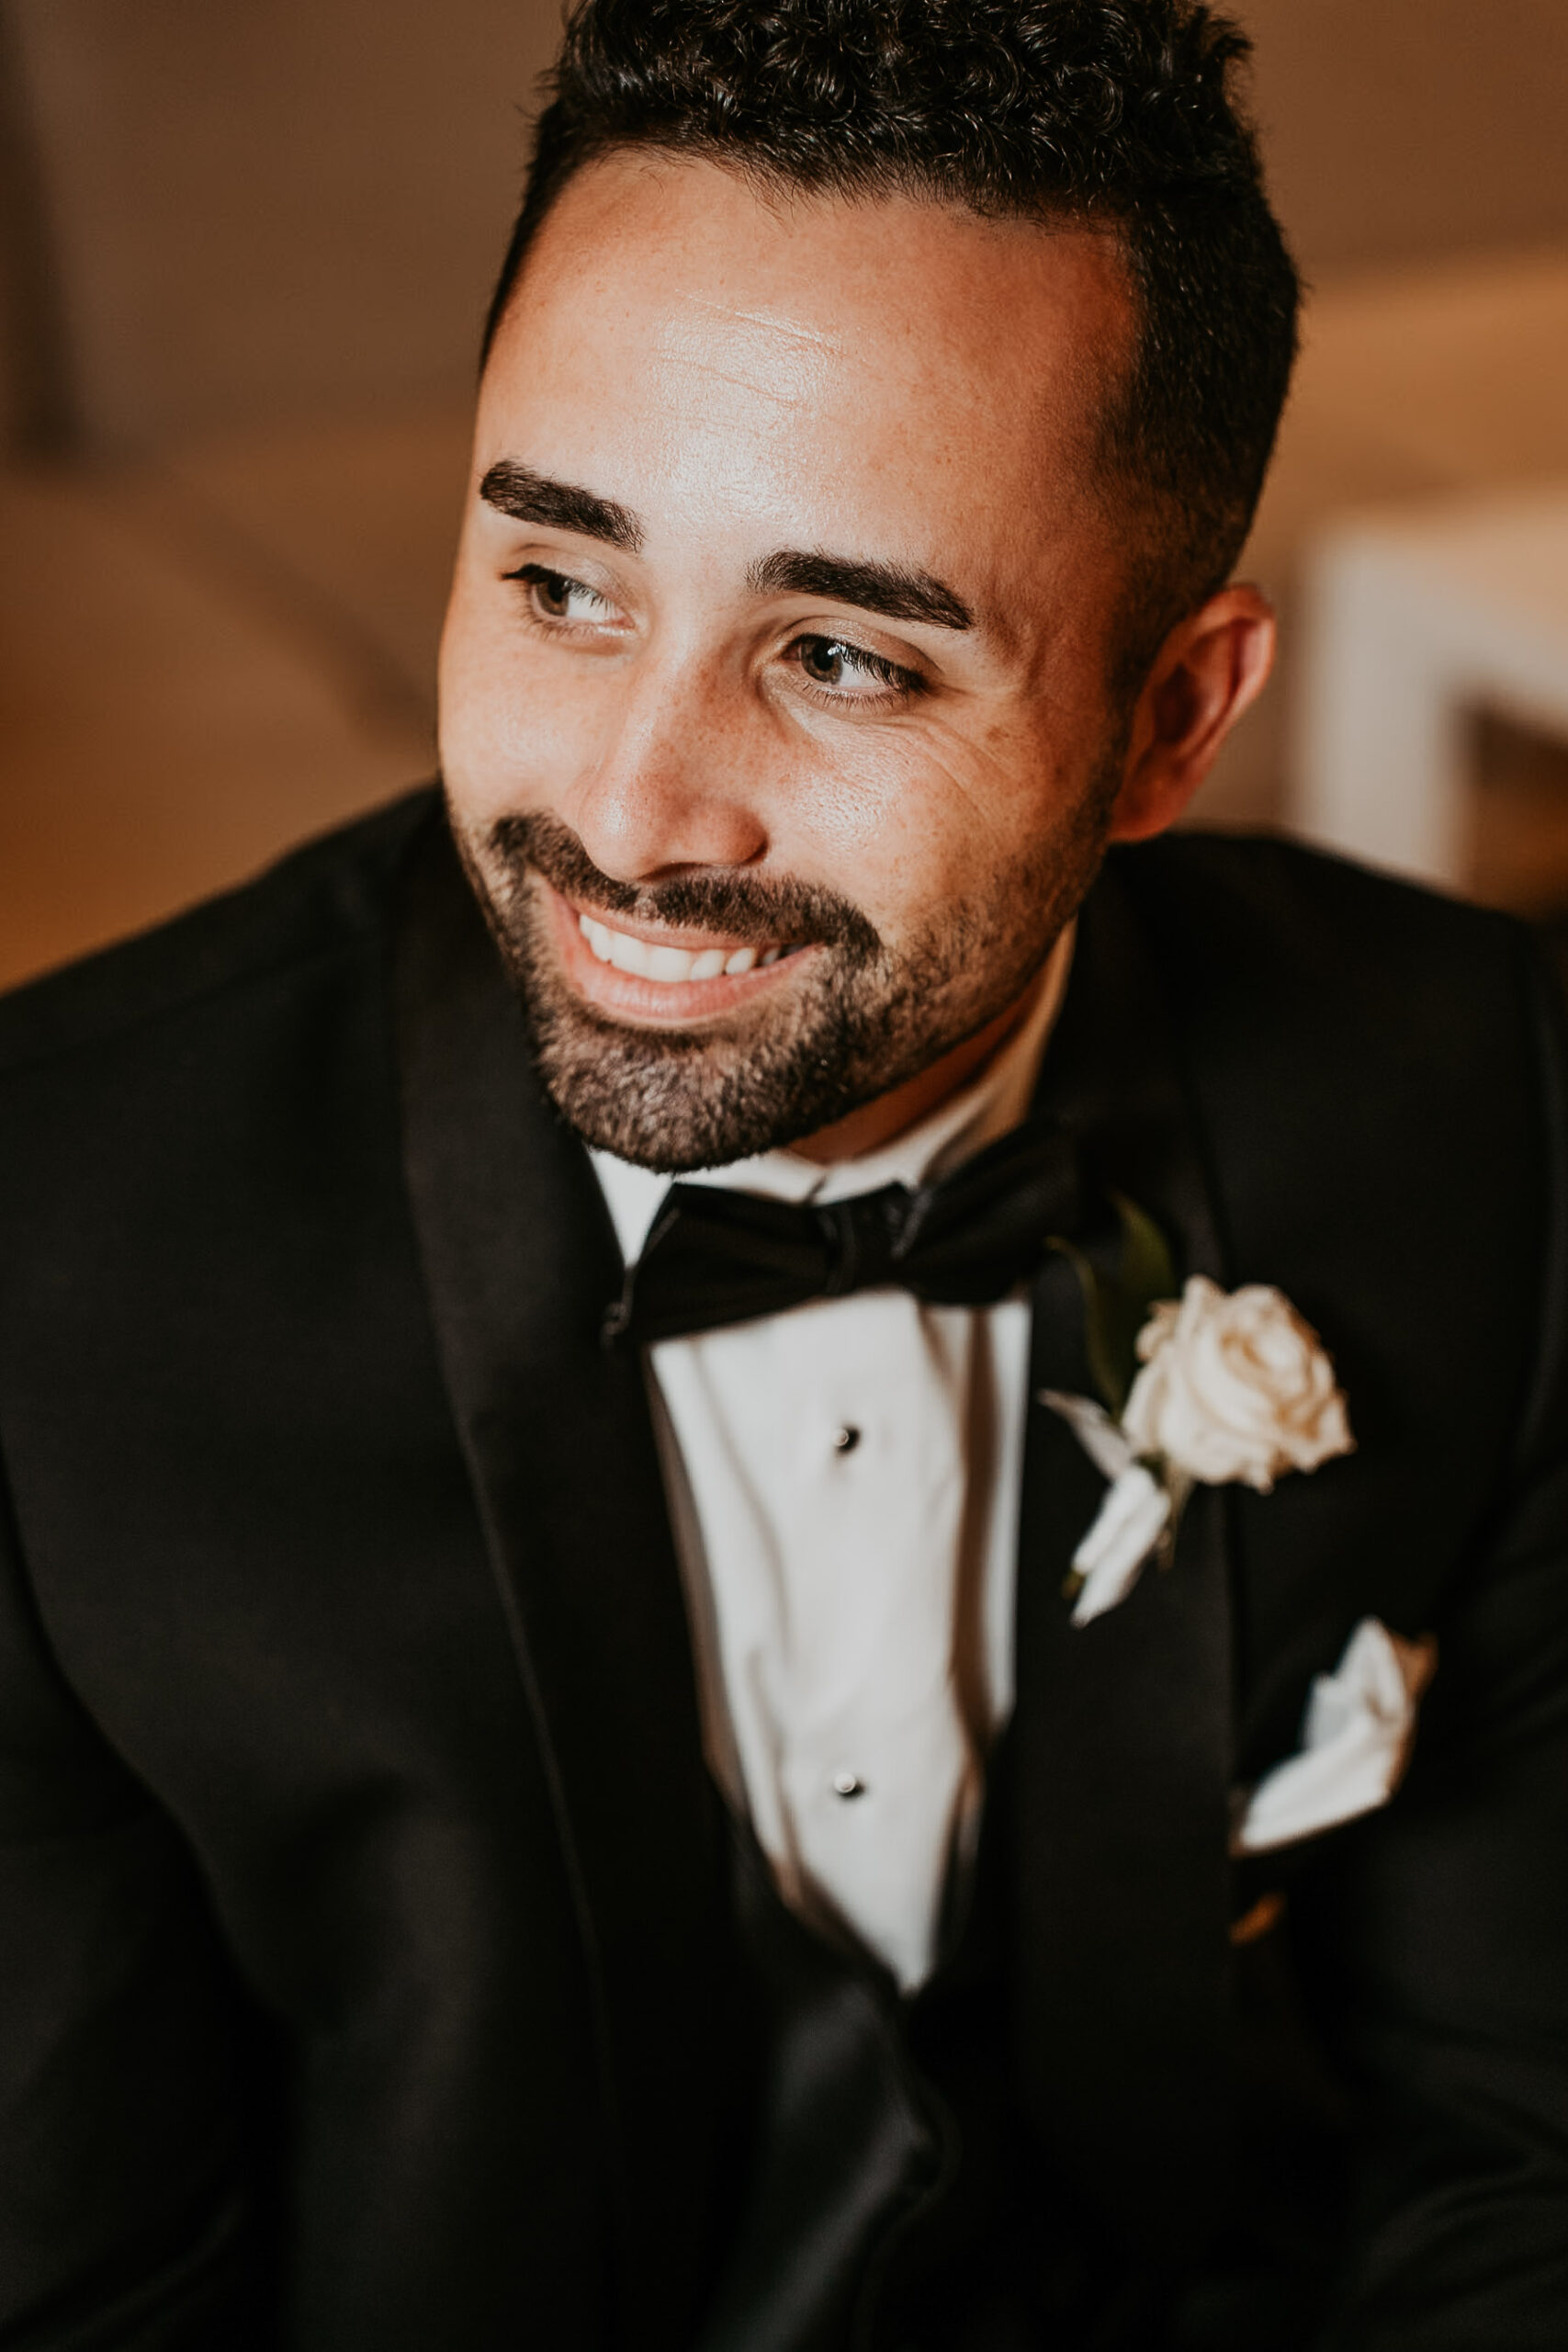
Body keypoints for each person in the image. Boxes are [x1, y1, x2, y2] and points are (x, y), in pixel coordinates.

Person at [1, 1, 1564, 2345]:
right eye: (558, 585)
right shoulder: (48, 1258)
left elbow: (1511, 2153)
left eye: (834, 652)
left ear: (1167, 722)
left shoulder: (1482, 1101)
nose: (629, 814)